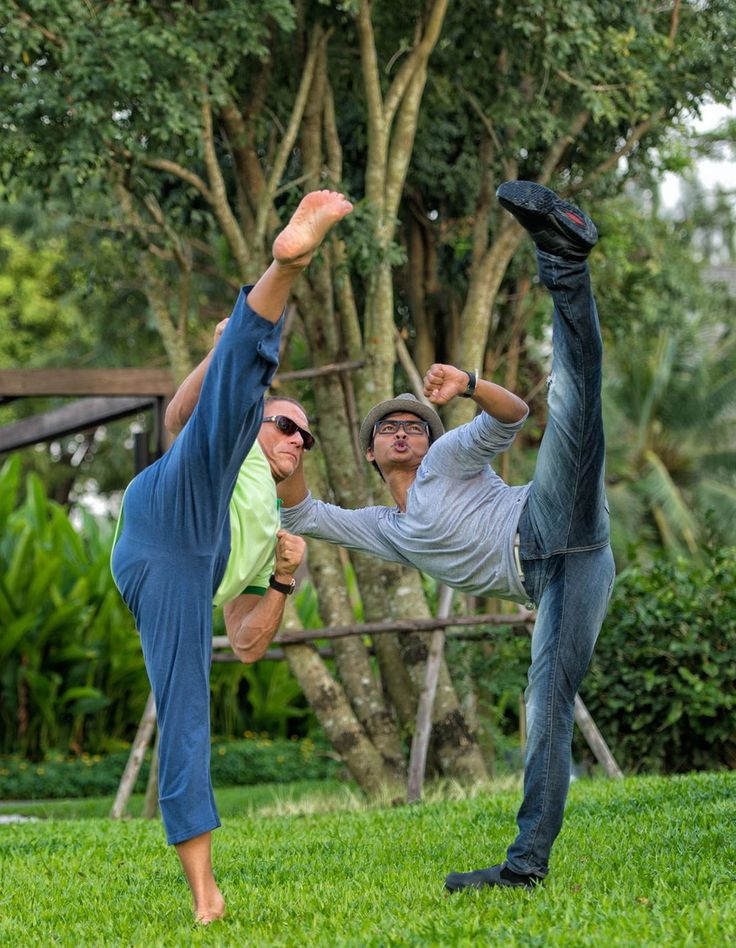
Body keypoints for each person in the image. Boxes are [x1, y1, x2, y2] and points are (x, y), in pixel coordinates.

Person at [279, 180, 615, 891]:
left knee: (575, 400)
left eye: (413, 425)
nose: (403, 431)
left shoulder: (446, 458)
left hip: (548, 517)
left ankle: (563, 256)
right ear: (370, 455)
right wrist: (282, 446)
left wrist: (464, 382)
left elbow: (514, 414)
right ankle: (525, 868)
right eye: (388, 430)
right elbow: (304, 514)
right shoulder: (388, 530)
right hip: (561, 579)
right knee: (545, 712)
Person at [110, 190, 353, 922]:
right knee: (229, 403)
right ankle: (285, 264)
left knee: (188, 707)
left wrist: (281, 578)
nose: (293, 440)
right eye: (287, 424)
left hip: (188, 570)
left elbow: (247, 644)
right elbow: (185, 416)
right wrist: (221, 355)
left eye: (304, 439)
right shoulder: (240, 445)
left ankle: (204, 894)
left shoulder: (276, 522)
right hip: (169, 510)